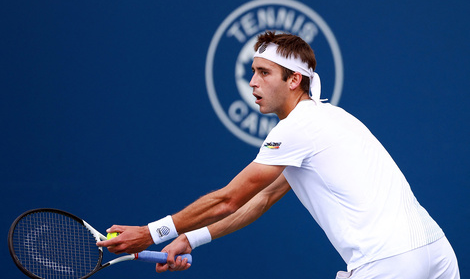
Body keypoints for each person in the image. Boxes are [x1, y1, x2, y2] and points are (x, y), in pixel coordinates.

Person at [97, 31, 460, 278]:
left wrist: (151, 232)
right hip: (436, 252)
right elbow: (263, 198)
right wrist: (192, 238)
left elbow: (228, 199)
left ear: (294, 80)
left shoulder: (297, 128)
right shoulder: (328, 118)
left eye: (263, 72)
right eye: (252, 71)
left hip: (389, 264)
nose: (252, 82)